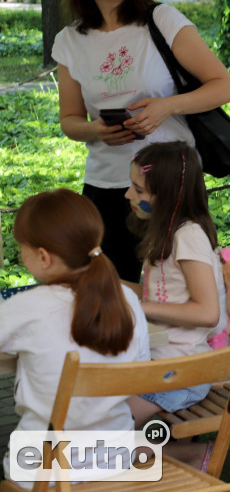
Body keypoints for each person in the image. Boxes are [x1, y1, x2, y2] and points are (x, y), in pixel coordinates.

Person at [54, 0, 230, 283]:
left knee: (179, 287)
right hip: (106, 185)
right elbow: (70, 120)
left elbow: (224, 87)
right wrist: (96, 130)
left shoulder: (162, 20)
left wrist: (166, 107)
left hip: (171, 183)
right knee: (112, 292)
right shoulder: (70, 41)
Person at [3, 189, 149, 483]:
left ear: (43, 257)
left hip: (43, 472)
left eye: (23, 247)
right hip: (116, 462)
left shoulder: (26, 308)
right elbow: (140, 374)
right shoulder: (128, 301)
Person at [124, 142, 227, 427]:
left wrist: (142, 308)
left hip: (181, 373)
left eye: (139, 190)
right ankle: (187, 459)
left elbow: (208, 312)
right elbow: (158, 298)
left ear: (167, 196)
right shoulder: (166, 233)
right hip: (158, 364)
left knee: (102, 426)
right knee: (85, 407)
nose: (128, 194)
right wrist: (103, 285)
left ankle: (192, 458)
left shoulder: (189, 236)